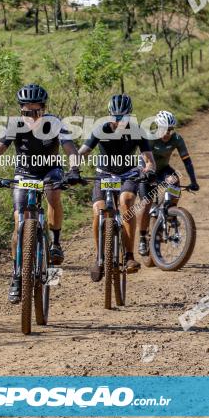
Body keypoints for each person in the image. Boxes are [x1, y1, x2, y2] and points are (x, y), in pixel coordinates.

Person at [0, 83, 82, 303]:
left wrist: (74, 169)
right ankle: (17, 277)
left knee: (54, 195)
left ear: (44, 109)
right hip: (24, 173)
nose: (31, 116)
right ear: (20, 110)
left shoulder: (55, 123)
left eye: (36, 111)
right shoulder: (15, 125)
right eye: (27, 112)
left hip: (50, 170)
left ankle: (55, 243)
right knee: (19, 224)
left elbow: (70, 149)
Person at [77, 94, 156, 279]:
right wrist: (73, 167)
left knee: (126, 201)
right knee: (98, 210)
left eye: (124, 117)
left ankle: (129, 256)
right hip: (104, 174)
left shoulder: (137, 131)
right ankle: (99, 257)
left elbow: (148, 158)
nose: (119, 121)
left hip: (128, 174)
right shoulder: (100, 130)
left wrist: (149, 169)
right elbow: (83, 151)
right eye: (116, 117)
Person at [136, 110, 199, 257]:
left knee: (175, 180)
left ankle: (171, 211)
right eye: (165, 129)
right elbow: (141, 159)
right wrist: (144, 174)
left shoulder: (177, 139)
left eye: (171, 129)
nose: (168, 133)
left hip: (163, 169)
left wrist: (193, 181)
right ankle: (142, 239)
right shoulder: (150, 138)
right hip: (146, 170)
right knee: (146, 203)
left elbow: (187, 161)